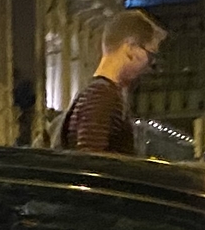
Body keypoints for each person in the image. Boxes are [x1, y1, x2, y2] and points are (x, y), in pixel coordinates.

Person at [60, 8, 166, 155]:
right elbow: (91, 162)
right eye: (150, 55)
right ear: (130, 48)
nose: (149, 66)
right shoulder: (102, 96)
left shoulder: (96, 92)